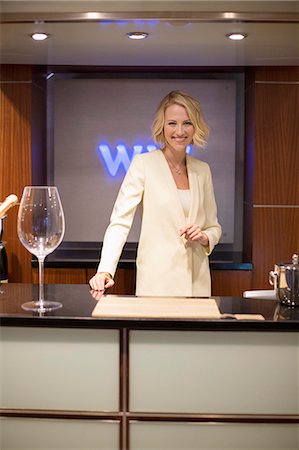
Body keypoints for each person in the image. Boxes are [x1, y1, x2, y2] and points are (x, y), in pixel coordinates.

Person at [89, 90, 222, 297]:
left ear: (195, 126)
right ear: (162, 126)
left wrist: (205, 237)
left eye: (187, 123)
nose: (180, 130)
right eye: (172, 123)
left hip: (198, 285)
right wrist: (105, 269)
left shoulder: (202, 170)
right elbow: (120, 222)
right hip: (157, 283)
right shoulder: (143, 164)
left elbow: (213, 227)